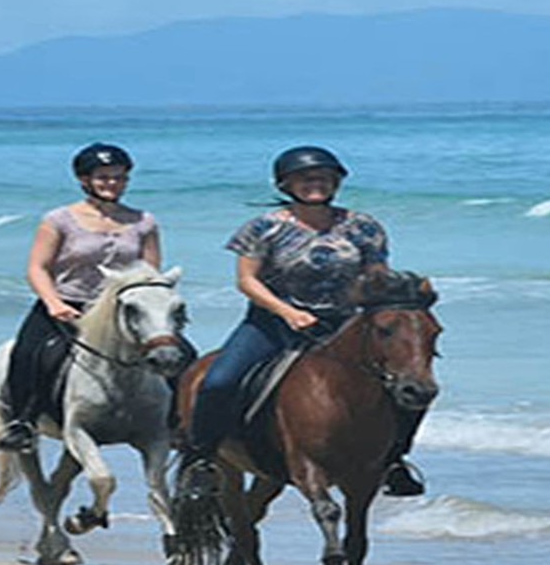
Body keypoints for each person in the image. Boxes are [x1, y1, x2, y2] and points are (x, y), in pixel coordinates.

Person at [179, 146, 425, 501]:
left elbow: (375, 279)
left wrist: (398, 296)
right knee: (219, 381)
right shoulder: (264, 228)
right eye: (306, 179)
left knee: (411, 385)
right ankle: (201, 461)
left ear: (337, 183)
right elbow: (247, 281)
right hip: (272, 323)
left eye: (324, 178)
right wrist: (288, 312)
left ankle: (394, 459)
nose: (316, 185)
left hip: (344, 324)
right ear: (286, 184)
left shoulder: (363, 227)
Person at [0, 143, 164, 452]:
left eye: (119, 177)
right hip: (67, 304)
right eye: (103, 177)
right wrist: (54, 304)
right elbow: (38, 268)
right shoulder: (60, 219)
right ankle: (22, 422)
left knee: (177, 353)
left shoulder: (143, 222)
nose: (112, 183)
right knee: (28, 354)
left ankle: (179, 423)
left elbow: (150, 271)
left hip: (121, 312)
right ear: (85, 180)